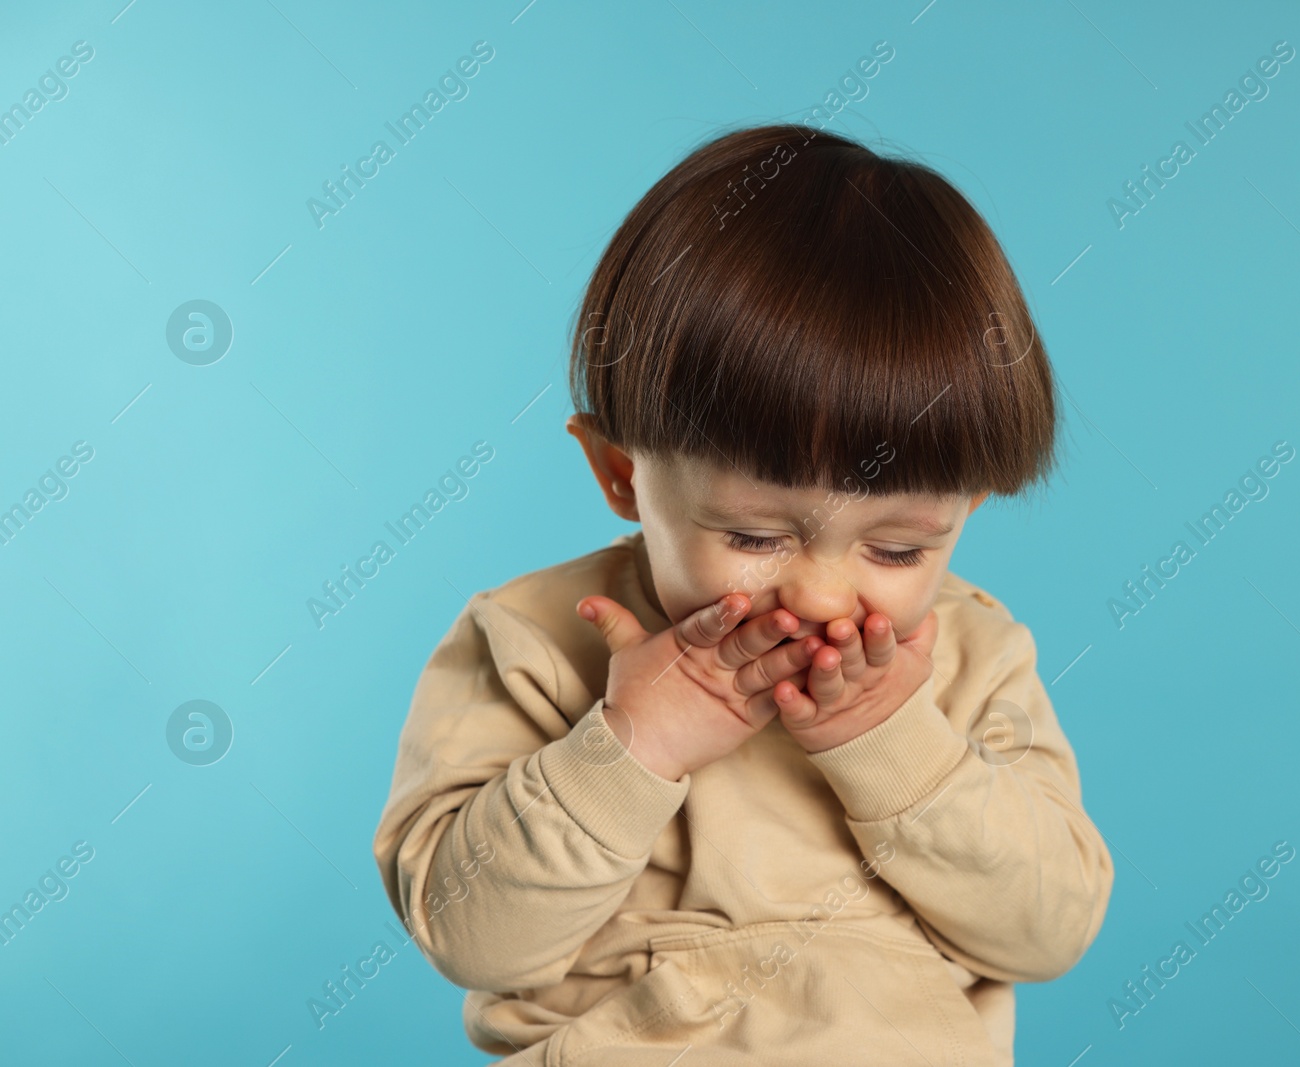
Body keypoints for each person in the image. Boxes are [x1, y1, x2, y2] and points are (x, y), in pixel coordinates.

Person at [372, 123, 1114, 1066]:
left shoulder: (971, 657)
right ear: (619, 472)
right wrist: (632, 748)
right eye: (756, 537)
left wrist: (898, 749)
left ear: (963, 510)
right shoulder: (531, 641)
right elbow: (466, 934)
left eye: (896, 547)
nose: (819, 593)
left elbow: (1047, 932)